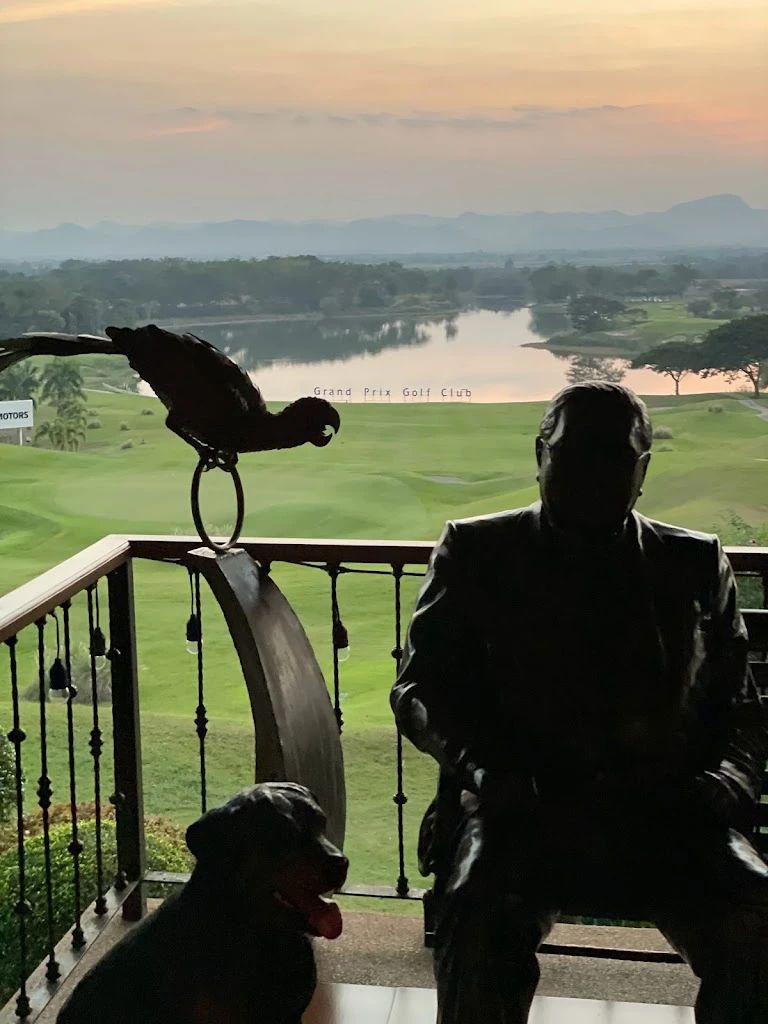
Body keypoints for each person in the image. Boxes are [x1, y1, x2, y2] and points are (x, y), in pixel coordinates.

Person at [391, 382, 768, 1024]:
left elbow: (742, 708)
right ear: (539, 455)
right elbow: (420, 688)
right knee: (478, 920)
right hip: (522, 816)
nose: (592, 473)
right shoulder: (478, 552)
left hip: (667, 817)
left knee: (760, 922)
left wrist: (726, 782)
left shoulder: (695, 563)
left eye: (613, 457)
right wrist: (483, 770)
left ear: (643, 469)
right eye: (572, 454)